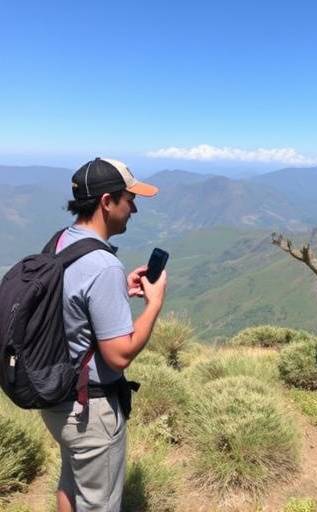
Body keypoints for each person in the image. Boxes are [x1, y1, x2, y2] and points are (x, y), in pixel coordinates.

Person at [40, 157, 167, 511]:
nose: (135, 209)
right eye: (129, 199)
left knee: (71, 481)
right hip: (89, 409)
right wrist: (153, 304)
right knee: (99, 503)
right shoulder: (103, 264)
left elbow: (69, 304)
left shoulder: (61, 241)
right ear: (107, 202)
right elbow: (119, 355)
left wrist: (116, 294)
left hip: (54, 399)